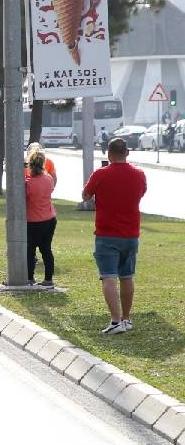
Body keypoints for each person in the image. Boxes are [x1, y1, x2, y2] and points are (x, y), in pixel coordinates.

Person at [82, 138, 147, 334]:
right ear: (127, 153)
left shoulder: (101, 174)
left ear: (108, 154)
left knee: (108, 277)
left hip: (107, 234)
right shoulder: (139, 174)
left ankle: (115, 321)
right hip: (131, 234)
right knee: (127, 276)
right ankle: (126, 318)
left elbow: (86, 195)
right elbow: (141, 192)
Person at [24, 152, 57, 287]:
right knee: (46, 249)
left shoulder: (28, 184)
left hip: (33, 221)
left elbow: (24, 198)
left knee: (30, 250)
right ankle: (48, 279)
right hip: (50, 219)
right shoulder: (49, 178)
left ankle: (30, 277)